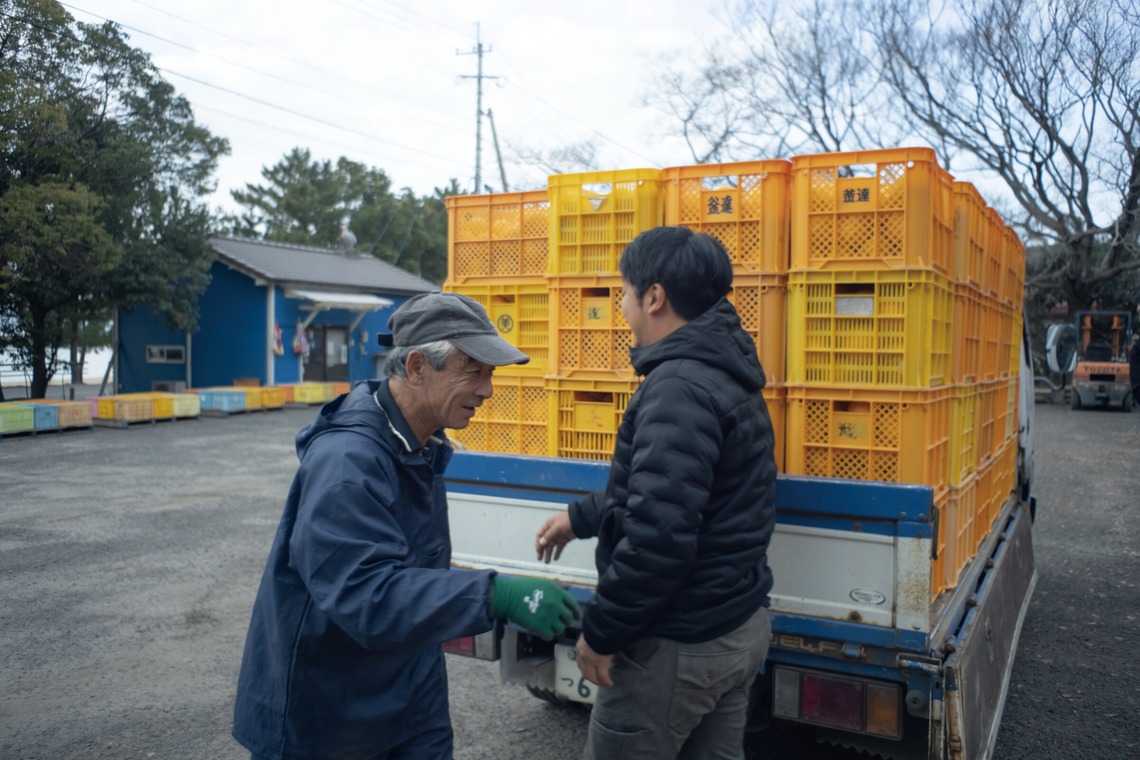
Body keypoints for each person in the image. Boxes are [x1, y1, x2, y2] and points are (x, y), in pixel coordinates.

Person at [232, 291, 580, 760]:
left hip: (407, 697)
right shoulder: (348, 462)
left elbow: (411, 565)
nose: (487, 390)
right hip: (328, 717)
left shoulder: (417, 442)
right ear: (416, 367)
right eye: (472, 371)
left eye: (490, 374)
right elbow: (368, 594)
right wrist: (495, 593)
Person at [535, 226, 778, 759]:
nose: (622, 306)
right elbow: (686, 497)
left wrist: (600, 633)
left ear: (654, 297)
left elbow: (659, 538)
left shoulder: (678, 387)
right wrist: (582, 518)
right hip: (735, 625)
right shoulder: (728, 370)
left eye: (624, 292)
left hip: (678, 645)